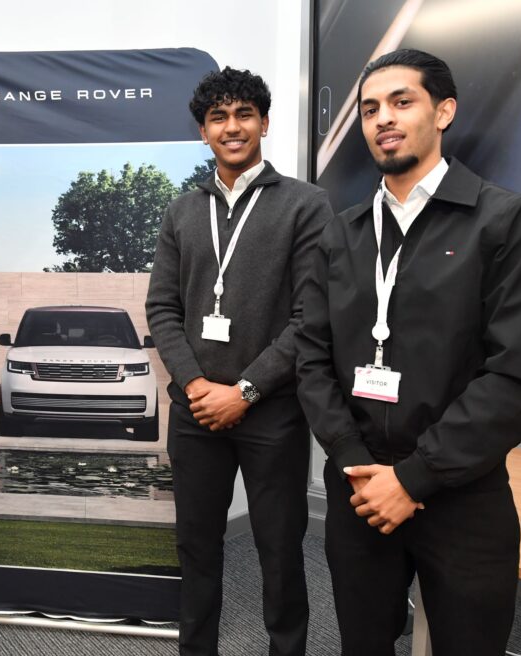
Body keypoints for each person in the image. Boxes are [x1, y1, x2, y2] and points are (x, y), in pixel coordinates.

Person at [296, 49, 521, 655]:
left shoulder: (504, 221)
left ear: (444, 111)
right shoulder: (341, 233)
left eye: (401, 101)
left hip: (461, 493)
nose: (383, 118)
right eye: (369, 109)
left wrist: (414, 478)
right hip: (359, 487)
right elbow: (312, 358)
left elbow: (514, 378)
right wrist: (354, 461)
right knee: (363, 644)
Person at [146, 67, 334, 656]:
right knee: (196, 544)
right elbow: (162, 308)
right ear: (203, 132)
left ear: (264, 123)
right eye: (219, 117)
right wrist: (195, 384)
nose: (232, 127)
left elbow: (311, 317)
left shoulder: (306, 205)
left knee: (279, 547)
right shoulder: (181, 210)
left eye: (244, 114)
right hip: (195, 411)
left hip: (272, 413)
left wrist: (245, 391)